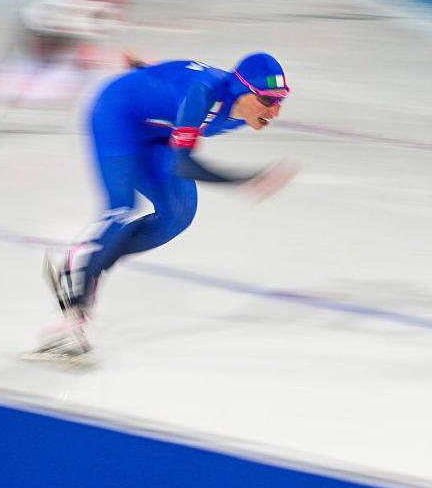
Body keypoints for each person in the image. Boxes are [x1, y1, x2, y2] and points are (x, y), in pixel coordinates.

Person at [40, 52, 295, 354]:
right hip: (116, 115)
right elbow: (183, 163)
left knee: (178, 214)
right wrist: (242, 180)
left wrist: (147, 73)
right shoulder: (203, 94)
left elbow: (177, 80)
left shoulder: (239, 109)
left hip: (155, 130)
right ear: (242, 89)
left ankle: (89, 261)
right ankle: (74, 307)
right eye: (267, 100)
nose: (274, 111)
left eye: (280, 100)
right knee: (122, 209)